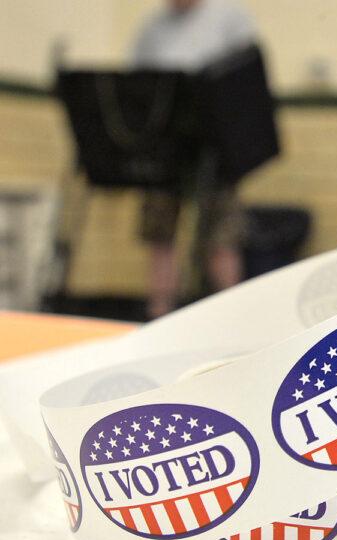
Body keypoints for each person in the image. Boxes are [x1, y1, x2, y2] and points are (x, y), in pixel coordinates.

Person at [130, 0, 257, 319]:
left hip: (217, 147)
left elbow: (247, 79)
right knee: (160, 233)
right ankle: (158, 314)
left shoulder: (230, 18)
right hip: (166, 147)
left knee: (222, 235)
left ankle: (231, 317)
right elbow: (137, 84)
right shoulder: (152, 27)